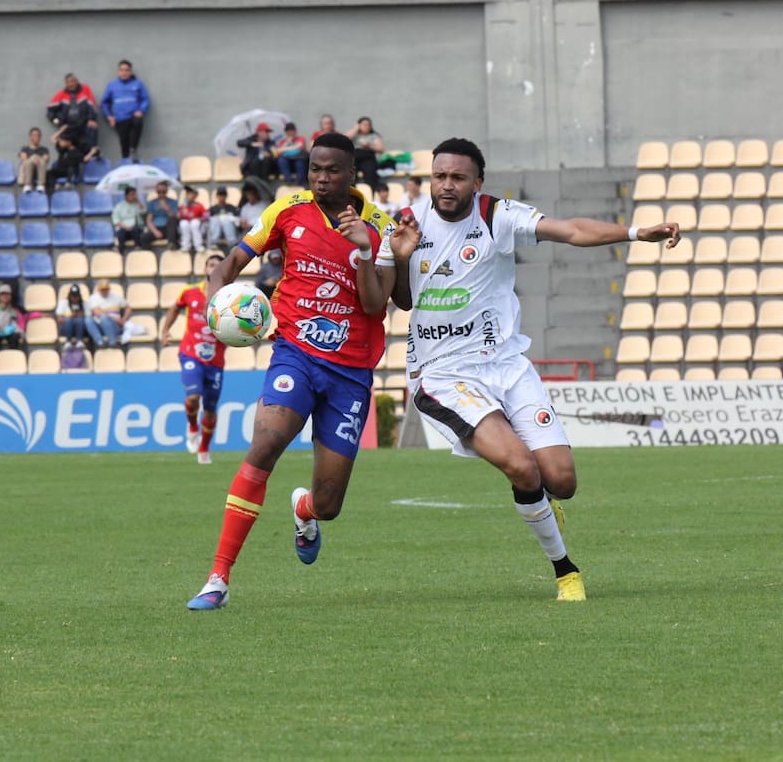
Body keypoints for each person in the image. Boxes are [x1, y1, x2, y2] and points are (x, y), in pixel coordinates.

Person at [372, 138, 681, 602]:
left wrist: (637, 233)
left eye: (457, 178)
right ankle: (565, 571)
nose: (446, 186)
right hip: (443, 374)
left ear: (477, 183)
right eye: (439, 176)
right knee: (521, 467)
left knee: (561, 481)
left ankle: (541, 503)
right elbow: (401, 302)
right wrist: (399, 256)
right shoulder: (408, 221)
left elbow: (572, 230)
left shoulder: (496, 215)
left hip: (507, 366)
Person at [185, 132, 393, 611]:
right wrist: (220, 308)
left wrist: (363, 249)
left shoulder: (377, 228)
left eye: (333, 170)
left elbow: (374, 302)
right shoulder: (287, 210)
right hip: (294, 352)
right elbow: (232, 264)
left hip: (351, 371)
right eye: (315, 170)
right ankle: (218, 577)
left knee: (330, 503)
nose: (322, 179)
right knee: (266, 444)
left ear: (352, 174)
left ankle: (305, 510)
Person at [160, 253, 226, 466]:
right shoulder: (189, 292)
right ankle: (191, 426)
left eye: (219, 265)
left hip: (215, 359)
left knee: (210, 410)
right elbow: (174, 308)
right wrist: (165, 331)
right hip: (191, 353)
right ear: (205, 269)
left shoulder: (230, 297)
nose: (214, 267)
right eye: (211, 264)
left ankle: (204, 448)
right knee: (193, 397)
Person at [100, 59, 151, 161]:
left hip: (133, 116)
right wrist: (109, 116)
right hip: (120, 118)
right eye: (122, 70)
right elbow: (104, 103)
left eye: (127, 70)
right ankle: (125, 161)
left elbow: (146, 99)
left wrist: (141, 110)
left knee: (138, 122)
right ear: (118, 72)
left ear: (130, 72)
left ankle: (133, 149)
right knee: (124, 143)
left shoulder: (138, 84)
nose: (124, 72)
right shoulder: (112, 85)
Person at [46, 73, 99, 163]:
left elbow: (92, 106)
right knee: (66, 148)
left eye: (72, 81)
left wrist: (91, 119)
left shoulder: (85, 89)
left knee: (92, 126)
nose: (70, 84)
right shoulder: (61, 94)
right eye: (68, 82)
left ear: (77, 81)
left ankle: (92, 155)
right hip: (68, 128)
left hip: (83, 125)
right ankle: (64, 164)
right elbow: (50, 110)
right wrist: (57, 122)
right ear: (65, 84)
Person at [86, 278, 130, 346]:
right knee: (88, 320)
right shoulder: (94, 298)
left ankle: (112, 341)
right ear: (99, 290)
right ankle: (99, 342)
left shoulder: (116, 297)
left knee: (104, 318)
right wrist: (117, 320)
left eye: (106, 289)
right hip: (101, 325)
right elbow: (97, 312)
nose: (104, 291)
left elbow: (128, 308)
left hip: (114, 326)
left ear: (109, 289)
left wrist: (124, 318)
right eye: (102, 289)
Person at [346, 116, 385, 190]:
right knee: (349, 172)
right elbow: (346, 138)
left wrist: (369, 146)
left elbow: (381, 149)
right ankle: (350, 192)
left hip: (368, 158)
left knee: (370, 173)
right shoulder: (355, 135)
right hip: (355, 157)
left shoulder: (374, 135)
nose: (367, 127)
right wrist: (356, 128)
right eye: (364, 125)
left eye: (369, 125)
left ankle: (371, 192)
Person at [141, 179, 179, 248]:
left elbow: (175, 217)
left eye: (163, 192)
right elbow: (149, 220)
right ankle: (149, 256)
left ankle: (171, 244)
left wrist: (167, 208)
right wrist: (155, 231)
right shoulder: (152, 203)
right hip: (156, 228)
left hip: (168, 229)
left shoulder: (172, 202)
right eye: (159, 192)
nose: (161, 194)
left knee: (172, 220)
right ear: (156, 191)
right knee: (143, 237)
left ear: (166, 191)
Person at [0, 282, 25, 354]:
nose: (5, 297)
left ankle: (13, 358)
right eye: (2, 295)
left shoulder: (15, 310)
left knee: (15, 337)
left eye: (7, 294)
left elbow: (21, 323)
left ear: (10, 296)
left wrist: (16, 330)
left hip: (11, 333)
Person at [18, 126, 51, 193]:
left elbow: (46, 158)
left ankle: (41, 185)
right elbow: (24, 158)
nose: (36, 137)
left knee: (42, 161)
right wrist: (33, 158)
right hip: (27, 173)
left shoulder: (44, 149)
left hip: (40, 172)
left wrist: (38, 158)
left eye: (38, 135)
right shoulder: (25, 148)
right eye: (34, 135)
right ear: (30, 137)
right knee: (29, 161)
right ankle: (27, 185)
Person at [112, 185, 145, 250]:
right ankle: (120, 249)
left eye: (135, 194)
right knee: (121, 232)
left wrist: (139, 201)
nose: (134, 196)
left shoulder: (138, 204)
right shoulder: (119, 206)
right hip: (124, 228)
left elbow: (144, 212)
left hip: (136, 229)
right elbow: (116, 220)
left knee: (135, 229)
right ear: (126, 195)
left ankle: (137, 247)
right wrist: (126, 227)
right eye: (132, 194)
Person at [206, 185, 239, 249]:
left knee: (226, 219)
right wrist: (216, 217)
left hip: (229, 230)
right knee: (214, 219)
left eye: (223, 195)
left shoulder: (231, 208)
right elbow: (205, 217)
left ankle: (232, 243)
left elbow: (238, 219)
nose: (221, 197)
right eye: (220, 195)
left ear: (226, 196)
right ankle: (214, 243)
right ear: (217, 196)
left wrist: (227, 216)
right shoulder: (212, 208)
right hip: (216, 231)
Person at [178, 184, 208, 253]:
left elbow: (207, 216)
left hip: (198, 227)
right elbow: (178, 217)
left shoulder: (199, 205)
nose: (188, 195)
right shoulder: (183, 206)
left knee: (194, 222)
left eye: (190, 193)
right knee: (183, 223)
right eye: (187, 193)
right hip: (185, 227)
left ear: (195, 195)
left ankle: (198, 246)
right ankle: (185, 246)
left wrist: (199, 219)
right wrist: (182, 210)